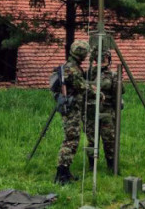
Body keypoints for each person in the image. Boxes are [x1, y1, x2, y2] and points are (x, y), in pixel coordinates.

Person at [55, 40, 90, 184]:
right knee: (70, 140)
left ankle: (65, 171)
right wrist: (96, 90)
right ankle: (61, 174)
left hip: (72, 108)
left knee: (72, 140)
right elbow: (81, 86)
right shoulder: (73, 69)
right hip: (71, 109)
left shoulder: (70, 66)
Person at [84, 46, 120, 171]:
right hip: (91, 110)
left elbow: (120, 92)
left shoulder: (112, 74)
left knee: (109, 139)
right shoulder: (89, 73)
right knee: (91, 139)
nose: (103, 60)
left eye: (105, 57)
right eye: (100, 57)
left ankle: (111, 165)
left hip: (107, 110)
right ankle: (91, 165)